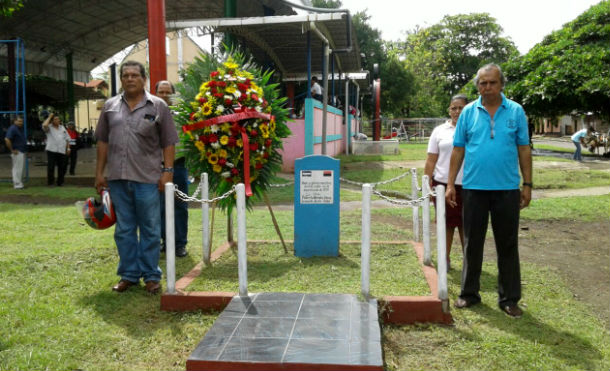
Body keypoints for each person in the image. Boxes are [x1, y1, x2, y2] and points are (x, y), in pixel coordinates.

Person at [446, 63, 532, 318]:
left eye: (492, 82)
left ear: (501, 84)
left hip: (507, 189)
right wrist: (451, 184)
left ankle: (509, 299)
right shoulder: (468, 112)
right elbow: (458, 149)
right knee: (472, 243)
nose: (487, 87)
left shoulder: (516, 111)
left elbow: (524, 149)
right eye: (482, 83)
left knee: (508, 244)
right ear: (478, 86)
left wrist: (527, 184)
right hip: (473, 189)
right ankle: (469, 293)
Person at [95, 60, 178, 294]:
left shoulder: (158, 106)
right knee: (124, 229)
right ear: (121, 79)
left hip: (147, 179)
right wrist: (99, 173)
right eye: (125, 75)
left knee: (151, 228)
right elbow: (102, 141)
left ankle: (151, 276)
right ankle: (129, 275)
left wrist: (168, 173)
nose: (130, 78)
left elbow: (168, 142)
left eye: (135, 75)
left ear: (144, 79)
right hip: (117, 179)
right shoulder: (110, 107)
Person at [424, 94, 468, 270]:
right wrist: (427, 184)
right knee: (446, 224)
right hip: (442, 184)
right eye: (453, 108)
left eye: (461, 108)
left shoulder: (474, 128)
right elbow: (431, 160)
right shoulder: (439, 131)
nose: (457, 111)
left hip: (469, 184)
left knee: (468, 224)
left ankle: (469, 261)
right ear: (449, 110)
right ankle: (445, 259)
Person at [155, 80, 189, 258]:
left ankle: (180, 244)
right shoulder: (150, 113)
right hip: (156, 168)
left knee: (180, 206)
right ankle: (165, 241)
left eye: (168, 92)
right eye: (161, 92)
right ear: (155, 93)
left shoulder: (181, 115)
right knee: (160, 207)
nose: (164, 95)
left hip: (179, 166)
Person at [42, 113, 70, 186]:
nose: (57, 120)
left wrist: (68, 148)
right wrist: (50, 116)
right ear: (52, 121)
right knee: (51, 167)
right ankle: (51, 182)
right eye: (55, 119)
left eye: (58, 119)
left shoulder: (62, 127)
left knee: (62, 167)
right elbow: (44, 125)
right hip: (52, 149)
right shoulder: (49, 127)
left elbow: (67, 138)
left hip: (61, 150)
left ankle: (60, 182)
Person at [4, 116, 27, 189]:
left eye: (21, 121)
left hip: (21, 151)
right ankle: (17, 184)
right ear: (15, 121)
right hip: (17, 151)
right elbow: (7, 139)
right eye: (19, 121)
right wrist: (12, 150)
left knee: (20, 168)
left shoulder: (19, 129)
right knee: (17, 168)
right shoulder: (13, 128)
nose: (21, 123)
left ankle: (19, 183)